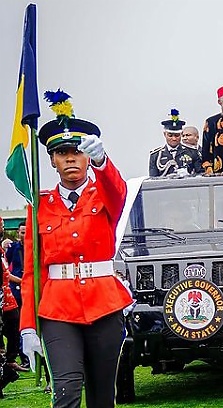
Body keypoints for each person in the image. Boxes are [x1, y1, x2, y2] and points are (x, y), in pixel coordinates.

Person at [19, 90, 133, 408]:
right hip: (58, 309)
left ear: (86, 157)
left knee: (101, 397)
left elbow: (119, 191)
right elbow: (31, 272)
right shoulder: (38, 206)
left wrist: (103, 161)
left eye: (77, 152)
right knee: (66, 391)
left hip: (104, 305)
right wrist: (28, 326)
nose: (71, 158)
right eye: (62, 153)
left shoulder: (103, 195)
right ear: (52, 161)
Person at [149, 109, 202, 177]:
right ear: (165, 134)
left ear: (181, 134)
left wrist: (189, 175)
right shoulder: (156, 155)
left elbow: (200, 174)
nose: (174, 139)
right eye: (170, 135)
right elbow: (153, 179)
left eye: (177, 135)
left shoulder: (192, 152)